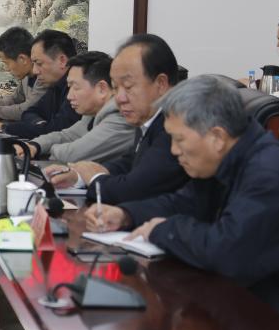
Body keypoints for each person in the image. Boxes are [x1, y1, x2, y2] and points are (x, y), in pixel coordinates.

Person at [85, 76, 279, 328]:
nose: (174, 150)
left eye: (179, 139)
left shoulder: (272, 175)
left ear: (217, 136)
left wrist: (163, 229)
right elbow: (183, 203)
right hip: (250, 298)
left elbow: (227, 252)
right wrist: (126, 214)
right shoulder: (229, 157)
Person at [44, 34, 188, 204]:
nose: (119, 98)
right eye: (115, 87)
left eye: (128, 86)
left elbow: (135, 189)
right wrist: (79, 175)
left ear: (161, 84)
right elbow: (130, 162)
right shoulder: (148, 118)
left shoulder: (178, 127)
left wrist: (95, 178)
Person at [25, 51, 134, 164]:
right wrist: (34, 146)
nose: (69, 96)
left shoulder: (120, 117)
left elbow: (72, 155)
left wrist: (49, 149)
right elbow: (67, 136)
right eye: (69, 87)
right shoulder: (93, 113)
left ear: (102, 89)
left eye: (76, 88)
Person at [3, 29, 79, 138]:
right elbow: (29, 112)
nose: (35, 71)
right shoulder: (56, 85)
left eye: (39, 63)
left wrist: (5, 127)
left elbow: (57, 132)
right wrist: (41, 125)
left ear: (62, 61)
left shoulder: (78, 90)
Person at [0, 26, 46, 122]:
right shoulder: (26, 77)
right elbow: (15, 99)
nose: (6, 69)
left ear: (22, 59)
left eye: (6, 63)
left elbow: (26, 110)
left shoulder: (45, 77)